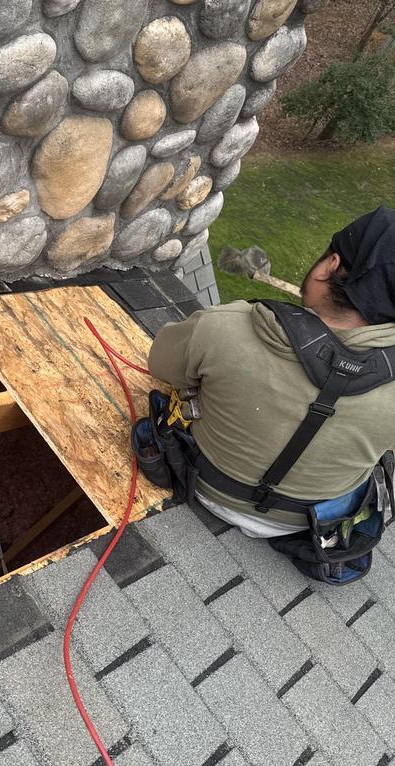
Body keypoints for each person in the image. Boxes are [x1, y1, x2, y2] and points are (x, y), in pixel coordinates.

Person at [147, 206, 395, 539]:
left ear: (331, 265)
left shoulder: (229, 326)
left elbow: (159, 361)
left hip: (209, 486)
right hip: (307, 523)